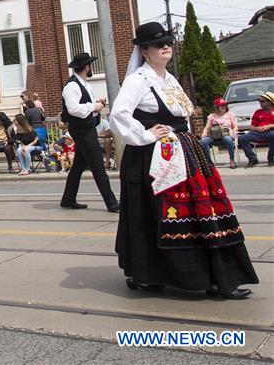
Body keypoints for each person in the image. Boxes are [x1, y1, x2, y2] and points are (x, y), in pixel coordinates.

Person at [110, 21, 257, 299]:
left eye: (168, 42)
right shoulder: (138, 80)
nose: (166, 47)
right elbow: (118, 115)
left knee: (200, 208)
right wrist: (145, 135)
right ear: (144, 51)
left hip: (184, 152)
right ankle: (156, 275)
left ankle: (215, 276)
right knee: (160, 213)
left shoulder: (170, 79)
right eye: (158, 44)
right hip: (154, 157)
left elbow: (182, 118)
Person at [59, 52, 120, 212]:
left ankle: (68, 199)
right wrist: (93, 107)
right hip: (82, 130)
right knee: (97, 166)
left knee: (79, 165)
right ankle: (112, 203)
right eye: (90, 65)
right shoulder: (72, 86)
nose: (91, 68)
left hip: (86, 127)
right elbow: (73, 109)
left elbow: (84, 108)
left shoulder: (84, 85)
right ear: (86, 67)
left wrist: (96, 105)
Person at [237, 91, 274, 167]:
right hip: (257, 132)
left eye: (262, 101)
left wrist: (270, 126)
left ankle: (271, 158)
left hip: (271, 131)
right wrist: (258, 128)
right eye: (259, 100)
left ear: (270, 102)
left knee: (273, 135)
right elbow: (252, 127)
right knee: (242, 138)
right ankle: (252, 159)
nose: (260, 102)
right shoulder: (258, 112)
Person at [199, 97, 239, 169]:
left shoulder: (230, 114)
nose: (224, 107)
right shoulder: (212, 116)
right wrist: (204, 133)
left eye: (225, 105)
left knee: (228, 139)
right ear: (217, 107)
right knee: (203, 141)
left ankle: (232, 160)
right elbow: (207, 127)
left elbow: (235, 127)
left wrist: (232, 131)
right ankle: (209, 163)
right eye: (221, 105)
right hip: (214, 136)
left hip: (226, 134)